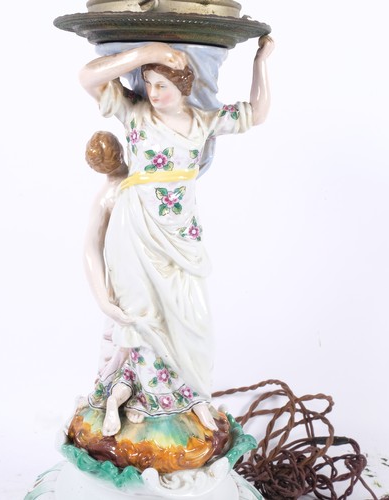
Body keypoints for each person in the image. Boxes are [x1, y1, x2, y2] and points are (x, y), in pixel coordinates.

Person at [80, 38, 274, 437]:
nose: (152, 93)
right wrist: (149, 53)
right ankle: (146, 401)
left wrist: (262, 61)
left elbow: (257, 113)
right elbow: (87, 77)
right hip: (134, 229)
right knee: (142, 318)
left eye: (162, 85)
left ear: (184, 85)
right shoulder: (135, 113)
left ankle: (189, 395)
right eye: (148, 83)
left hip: (181, 234)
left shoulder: (203, 121)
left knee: (193, 319)